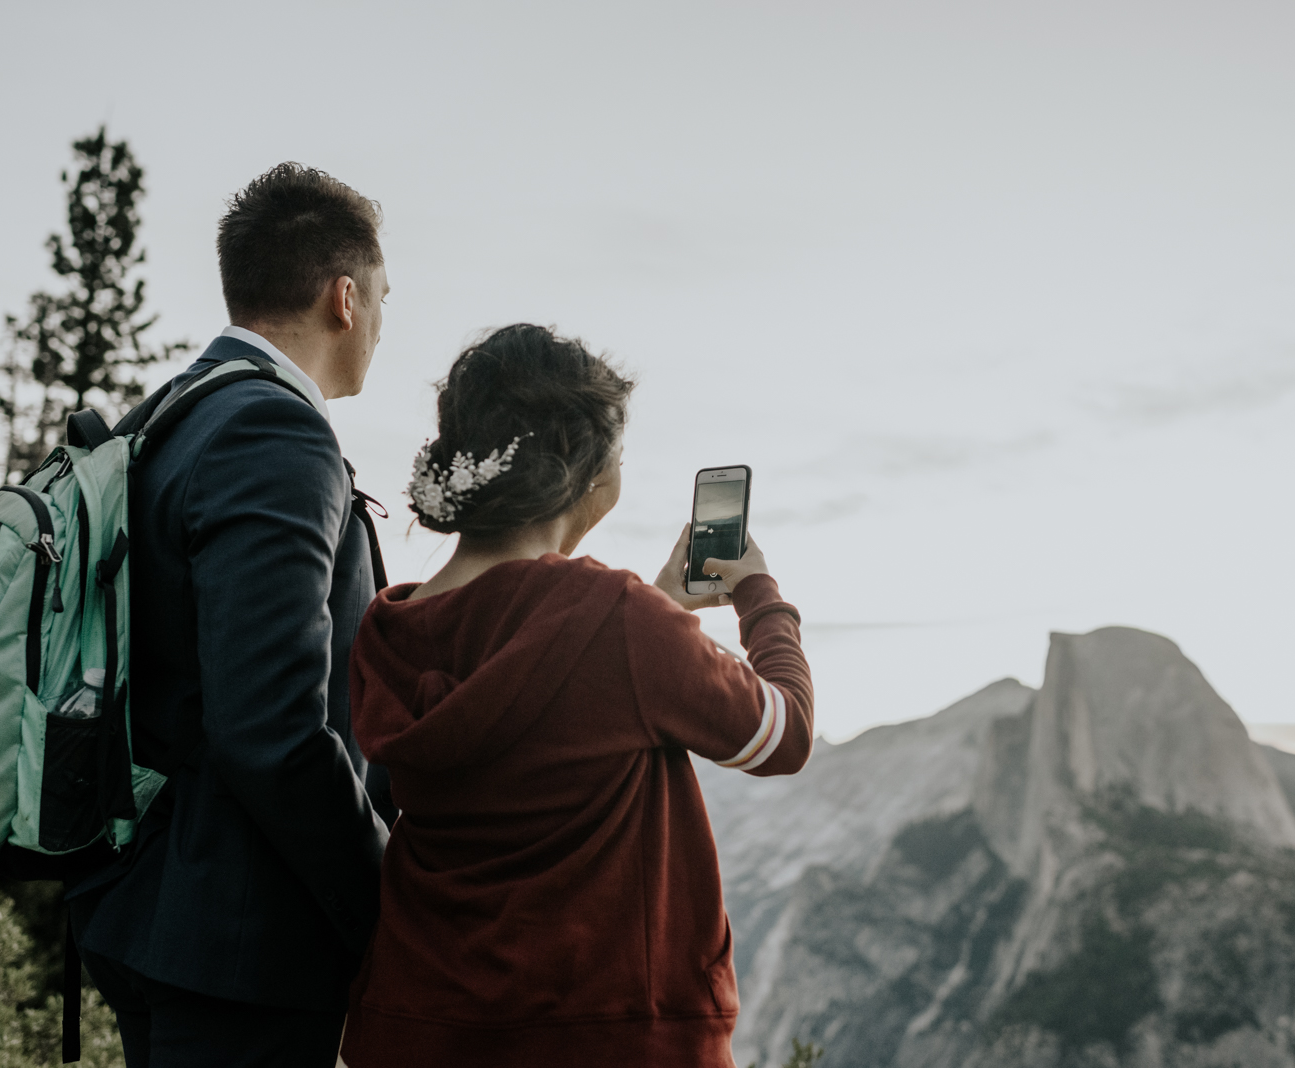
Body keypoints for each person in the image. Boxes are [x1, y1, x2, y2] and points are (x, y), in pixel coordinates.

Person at [340, 324, 815, 1067]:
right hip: (614, 1035)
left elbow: (536, 657)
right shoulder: (620, 625)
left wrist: (656, 609)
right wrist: (759, 595)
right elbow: (784, 735)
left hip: (424, 1026)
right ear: (584, 470)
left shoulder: (390, 630)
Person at [67, 163, 394, 1067]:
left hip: (156, 903)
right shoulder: (275, 434)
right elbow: (273, 730)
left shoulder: (170, 414)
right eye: (381, 297)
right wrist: (389, 895)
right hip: (241, 946)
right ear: (343, 297)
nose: (378, 323)